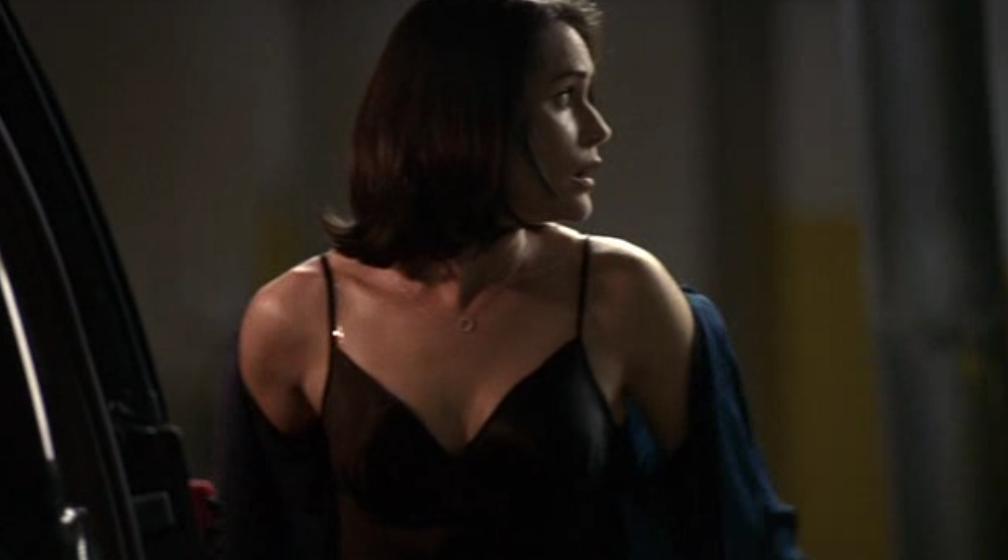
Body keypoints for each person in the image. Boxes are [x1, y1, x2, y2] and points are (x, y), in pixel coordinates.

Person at [222, 0, 799, 558]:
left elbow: (738, 534)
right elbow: (256, 539)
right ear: (470, 116)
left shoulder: (622, 294)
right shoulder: (295, 317)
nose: (598, 129)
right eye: (565, 97)